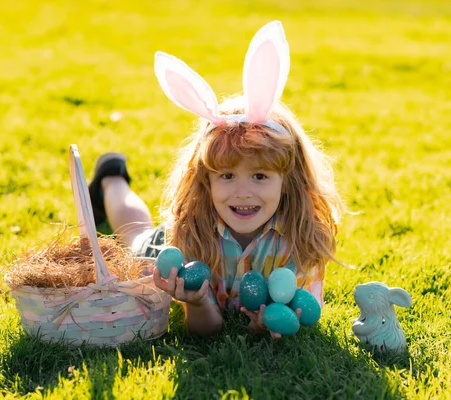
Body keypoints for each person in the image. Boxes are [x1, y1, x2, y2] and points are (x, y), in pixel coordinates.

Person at [88, 21, 344, 338]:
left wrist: (268, 325)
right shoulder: (191, 231)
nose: (242, 192)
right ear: (205, 181)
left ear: (287, 181)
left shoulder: (301, 236)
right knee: (136, 236)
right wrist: (196, 303)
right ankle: (111, 178)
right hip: (175, 241)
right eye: (226, 175)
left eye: (260, 176)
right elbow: (206, 330)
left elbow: (303, 312)